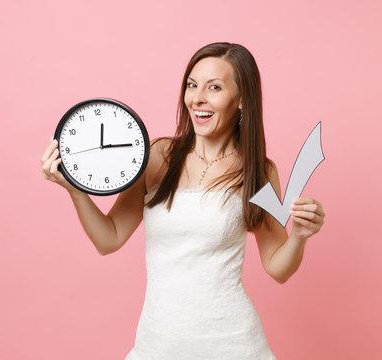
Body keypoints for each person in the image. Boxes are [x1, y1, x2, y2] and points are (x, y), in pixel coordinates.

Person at [41, 42, 325, 360]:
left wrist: (300, 235)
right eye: (192, 85)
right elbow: (110, 238)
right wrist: (75, 190)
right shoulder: (158, 156)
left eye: (214, 87)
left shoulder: (258, 170)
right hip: (158, 345)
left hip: (234, 346)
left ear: (242, 99)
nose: (197, 98)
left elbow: (278, 267)